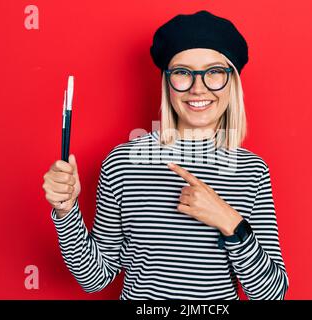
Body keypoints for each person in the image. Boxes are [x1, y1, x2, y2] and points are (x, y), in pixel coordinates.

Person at [42, 10, 289, 300]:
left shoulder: (252, 170)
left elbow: (272, 294)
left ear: (231, 83)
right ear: (168, 83)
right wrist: (66, 211)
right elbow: (95, 278)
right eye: (183, 73)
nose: (199, 88)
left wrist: (230, 221)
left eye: (214, 73)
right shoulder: (122, 163)